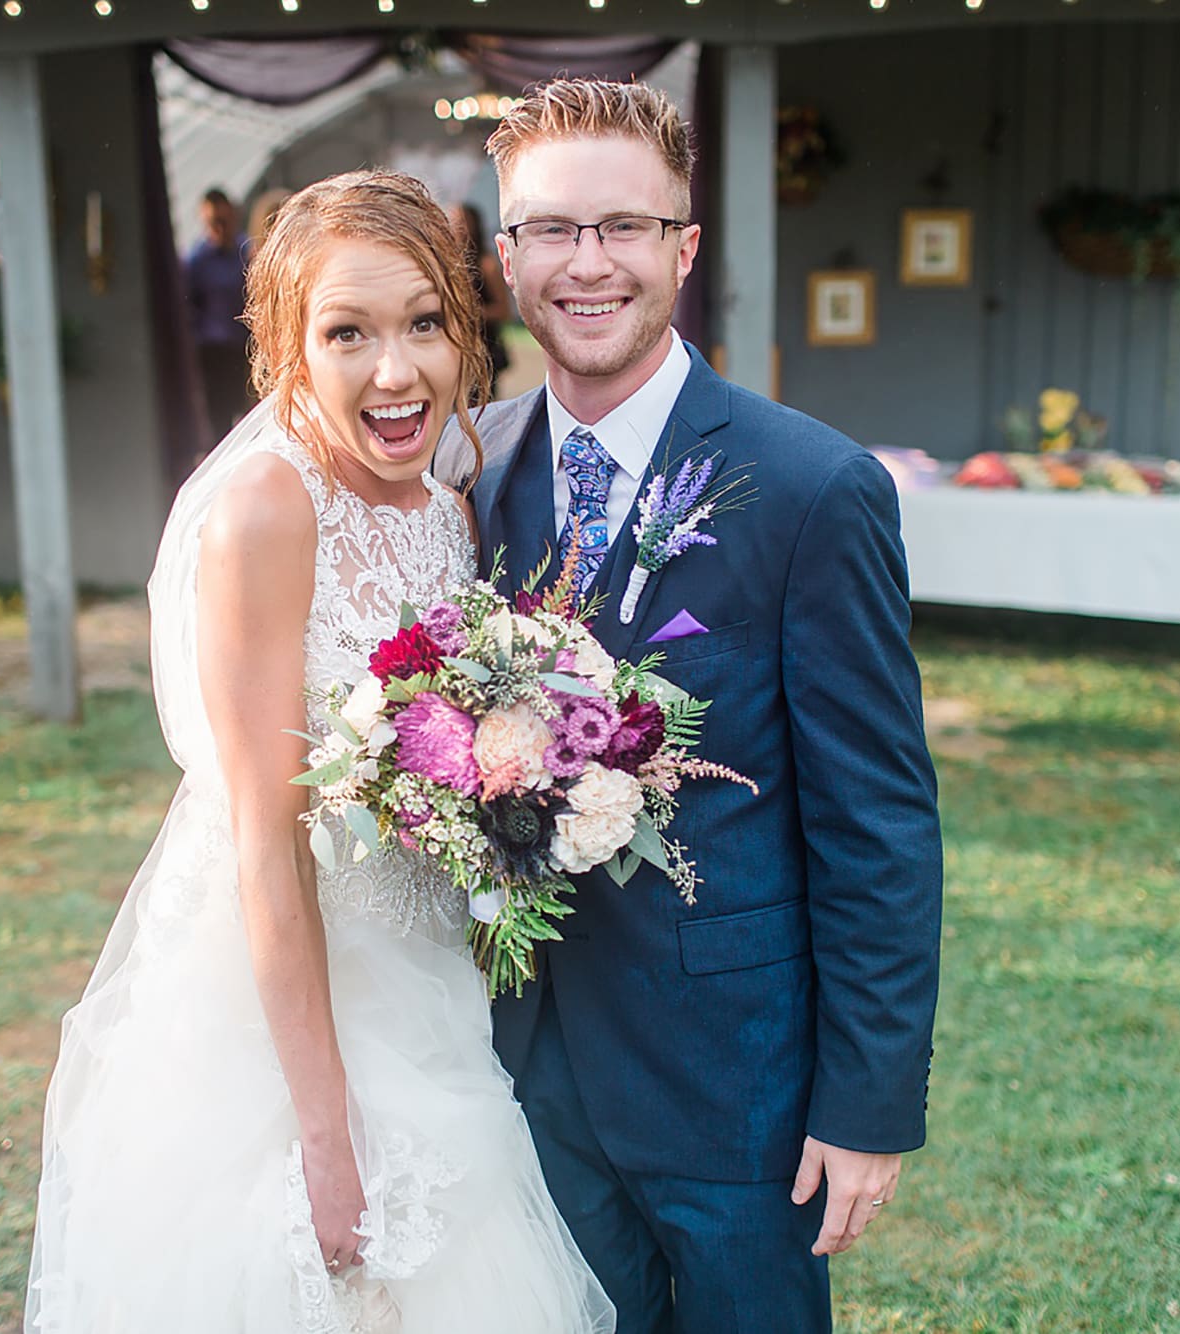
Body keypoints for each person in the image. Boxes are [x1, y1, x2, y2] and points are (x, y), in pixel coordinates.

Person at [24, 170, 614, 1334]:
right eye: (346, 332)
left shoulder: (444, 512)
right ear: (286, 349)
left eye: (422, 324)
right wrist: (323, 1131)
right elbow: (264, 843)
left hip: (429, 987)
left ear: (465, 329)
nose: (393, 373)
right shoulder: (264, 511)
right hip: (281, 1017)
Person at [437, 79, 944, 1334]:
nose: (586, 263)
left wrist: (865, 1100)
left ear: (683, 246)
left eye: (622, 226)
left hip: (738, 1088)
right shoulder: (464, 467)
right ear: (506, 256)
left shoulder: (810, 488)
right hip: (520, 1072)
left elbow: (876, 822)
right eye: (549, 229)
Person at [186, 185, 256, 444]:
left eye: (223, 222)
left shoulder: (247, 252)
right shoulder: (196, 260)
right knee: (219, 418)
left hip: (246, 348)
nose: (219, 229)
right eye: (212, 223)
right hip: (212, 353)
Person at [446, 202, 513, 398]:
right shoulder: (447, 263)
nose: (455, 228)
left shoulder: (486, 264)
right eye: (452, 222)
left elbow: (504, 310)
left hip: (482, 352)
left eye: (461, 223)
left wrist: (467, 313)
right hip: (454, 353)